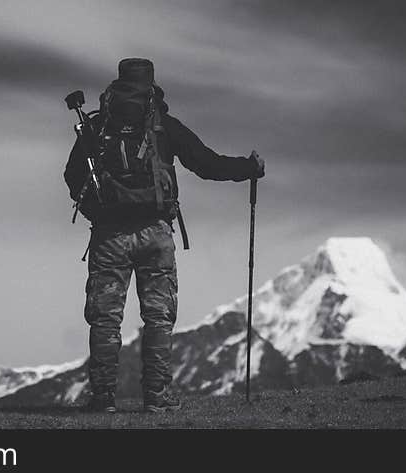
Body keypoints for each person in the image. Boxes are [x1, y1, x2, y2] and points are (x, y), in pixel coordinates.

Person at [64, 58, 265, 413]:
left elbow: (72, 176)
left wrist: (100, 213)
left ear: (118, 82)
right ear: (152, 84)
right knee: (157, 317)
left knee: (105, 318)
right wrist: (248, 168)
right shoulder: (163, 127)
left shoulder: (97, 126)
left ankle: (102, 398)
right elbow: (207, 164)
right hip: (155, 234)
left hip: (109, 236)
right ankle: (157, 397)